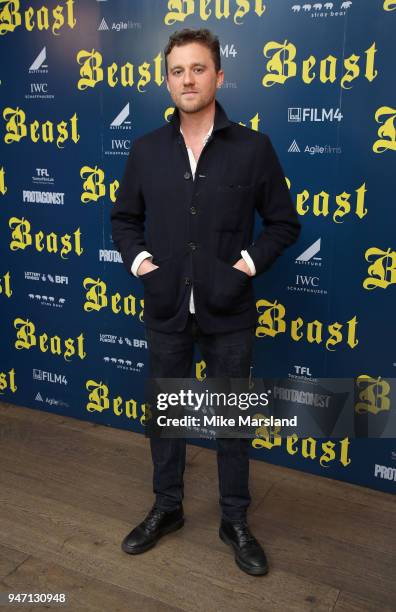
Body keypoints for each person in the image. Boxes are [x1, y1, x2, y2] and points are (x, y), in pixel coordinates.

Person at [110, 28, 301, 576]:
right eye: (177, 71)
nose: (187, 79)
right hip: (166, 309)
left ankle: (234, 520)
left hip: (229, 313)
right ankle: (166, 508)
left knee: (232, 422)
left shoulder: (253, 148)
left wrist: (247, 265)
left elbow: (284, 224)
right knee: (165, 419)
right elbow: (124, 219)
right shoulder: (146, 149)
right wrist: (141, 263)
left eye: (198, 69)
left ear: (219, 76)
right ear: (166, 79)